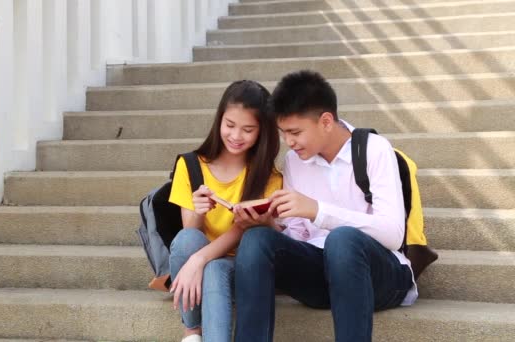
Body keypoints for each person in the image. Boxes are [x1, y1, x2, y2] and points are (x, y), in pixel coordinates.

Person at [233, 71, 417, 342]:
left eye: (295, 132)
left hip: (381, 276)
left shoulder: (374, 149)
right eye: (283, 133)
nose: (289, 142)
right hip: (324, 277)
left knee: (342, 240)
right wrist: (269, 224)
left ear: (326, 121)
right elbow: (298, 236)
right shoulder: (295, 161)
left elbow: (392, 234)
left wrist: (318, 211)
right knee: (256, 240)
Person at [168, 80, 283, 342]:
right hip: (200, 259)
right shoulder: (190, 165)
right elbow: (190, 235)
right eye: (230, 125)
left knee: (215, 267)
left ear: (262, 132)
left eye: (248, 129)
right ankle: (192, 330)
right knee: (189, 241)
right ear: (219, 120)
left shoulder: (269, 176)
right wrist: (198, 209)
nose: (236, 136)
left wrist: (200, 259)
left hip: (244, 267)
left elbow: (246, 235)